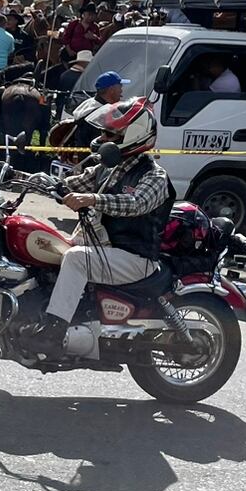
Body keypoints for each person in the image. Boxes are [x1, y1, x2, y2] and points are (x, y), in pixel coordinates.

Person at [32, 97, 174, 344]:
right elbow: (69, 185)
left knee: (76, 259)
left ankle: (54, 331)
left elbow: (136, 204)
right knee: (46, 242)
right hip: (105, 248)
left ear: (131, 136)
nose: (102, 138)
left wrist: (92, 199)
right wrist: (27, 178)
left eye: (109, 134)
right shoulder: (106, 168)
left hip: (134, 257)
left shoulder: (155, 176)